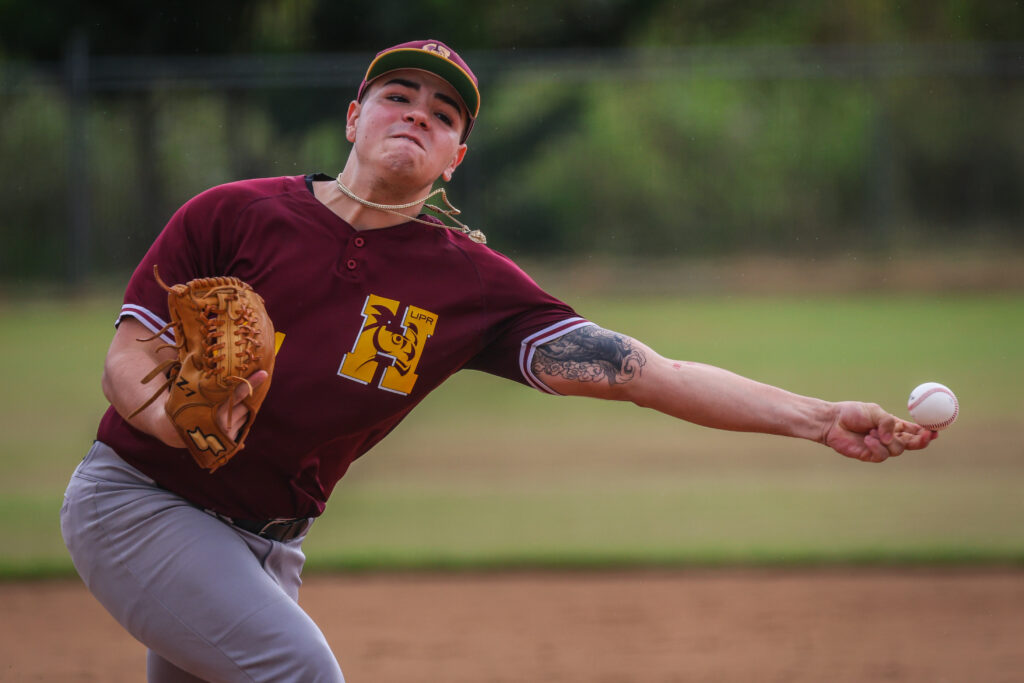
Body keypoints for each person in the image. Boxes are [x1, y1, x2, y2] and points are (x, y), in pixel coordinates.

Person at [60, 39, 937, 683]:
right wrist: (173, 417)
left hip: (265, 549)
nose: (418, 114)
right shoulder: (235, 215)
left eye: (443, 115)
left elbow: (644, 372)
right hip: (140, 502)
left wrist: (821, 417)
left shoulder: (466, 285)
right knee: (300, 674)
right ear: (354, 116)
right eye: (397, 94)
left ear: (455, 160)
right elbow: (129, 352)